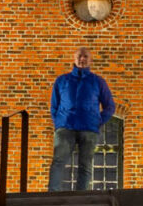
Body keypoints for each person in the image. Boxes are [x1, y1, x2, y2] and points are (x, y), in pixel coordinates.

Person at [49, 46, 116, 192]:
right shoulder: (62, 80)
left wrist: (97, 121)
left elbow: (110, 106)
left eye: (85, 56)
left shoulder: (98, 82)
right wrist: (59, 122)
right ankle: (52, 194)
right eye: (79, 56)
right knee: (58, 161)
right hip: (66, 127)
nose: (82, 59)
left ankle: (82, 195)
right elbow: (54, 105)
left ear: (90, 60)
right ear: (74, 59)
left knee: (85, 165)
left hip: (88, 128)